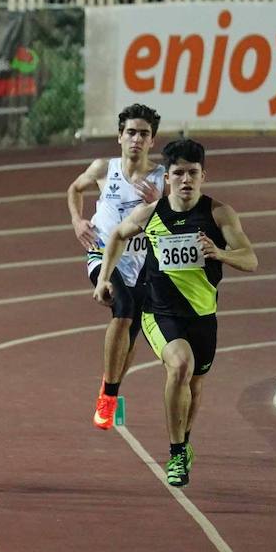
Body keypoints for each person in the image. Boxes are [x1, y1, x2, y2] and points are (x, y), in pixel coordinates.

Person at [93, 139, 257, 487]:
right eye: (178, 173)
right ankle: (176, 452)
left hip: (203, 317)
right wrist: (104, 278)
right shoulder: (152, 213)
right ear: (167, 177)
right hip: (159, 313)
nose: (186, 180)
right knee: (180, 366)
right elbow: (118, 235)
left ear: (203, 176)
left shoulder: (219, 214)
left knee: (195, 387)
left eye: (192, 173)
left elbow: (251, 259)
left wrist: (220, 254)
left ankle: (184, 442)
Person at [66, 104, 163, 429]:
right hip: (103, 256)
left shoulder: (162, 180)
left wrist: (160, 204)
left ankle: (112, 387)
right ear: (120, 136)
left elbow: (180, 221)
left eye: (144, 134)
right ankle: (108, 398)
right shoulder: (103, 168)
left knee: (131, 337)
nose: (136, 139)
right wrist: (78, 220)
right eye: (131, 132)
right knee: (122, 309)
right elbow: (74, 189)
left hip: (142, 264)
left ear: (152, 141)